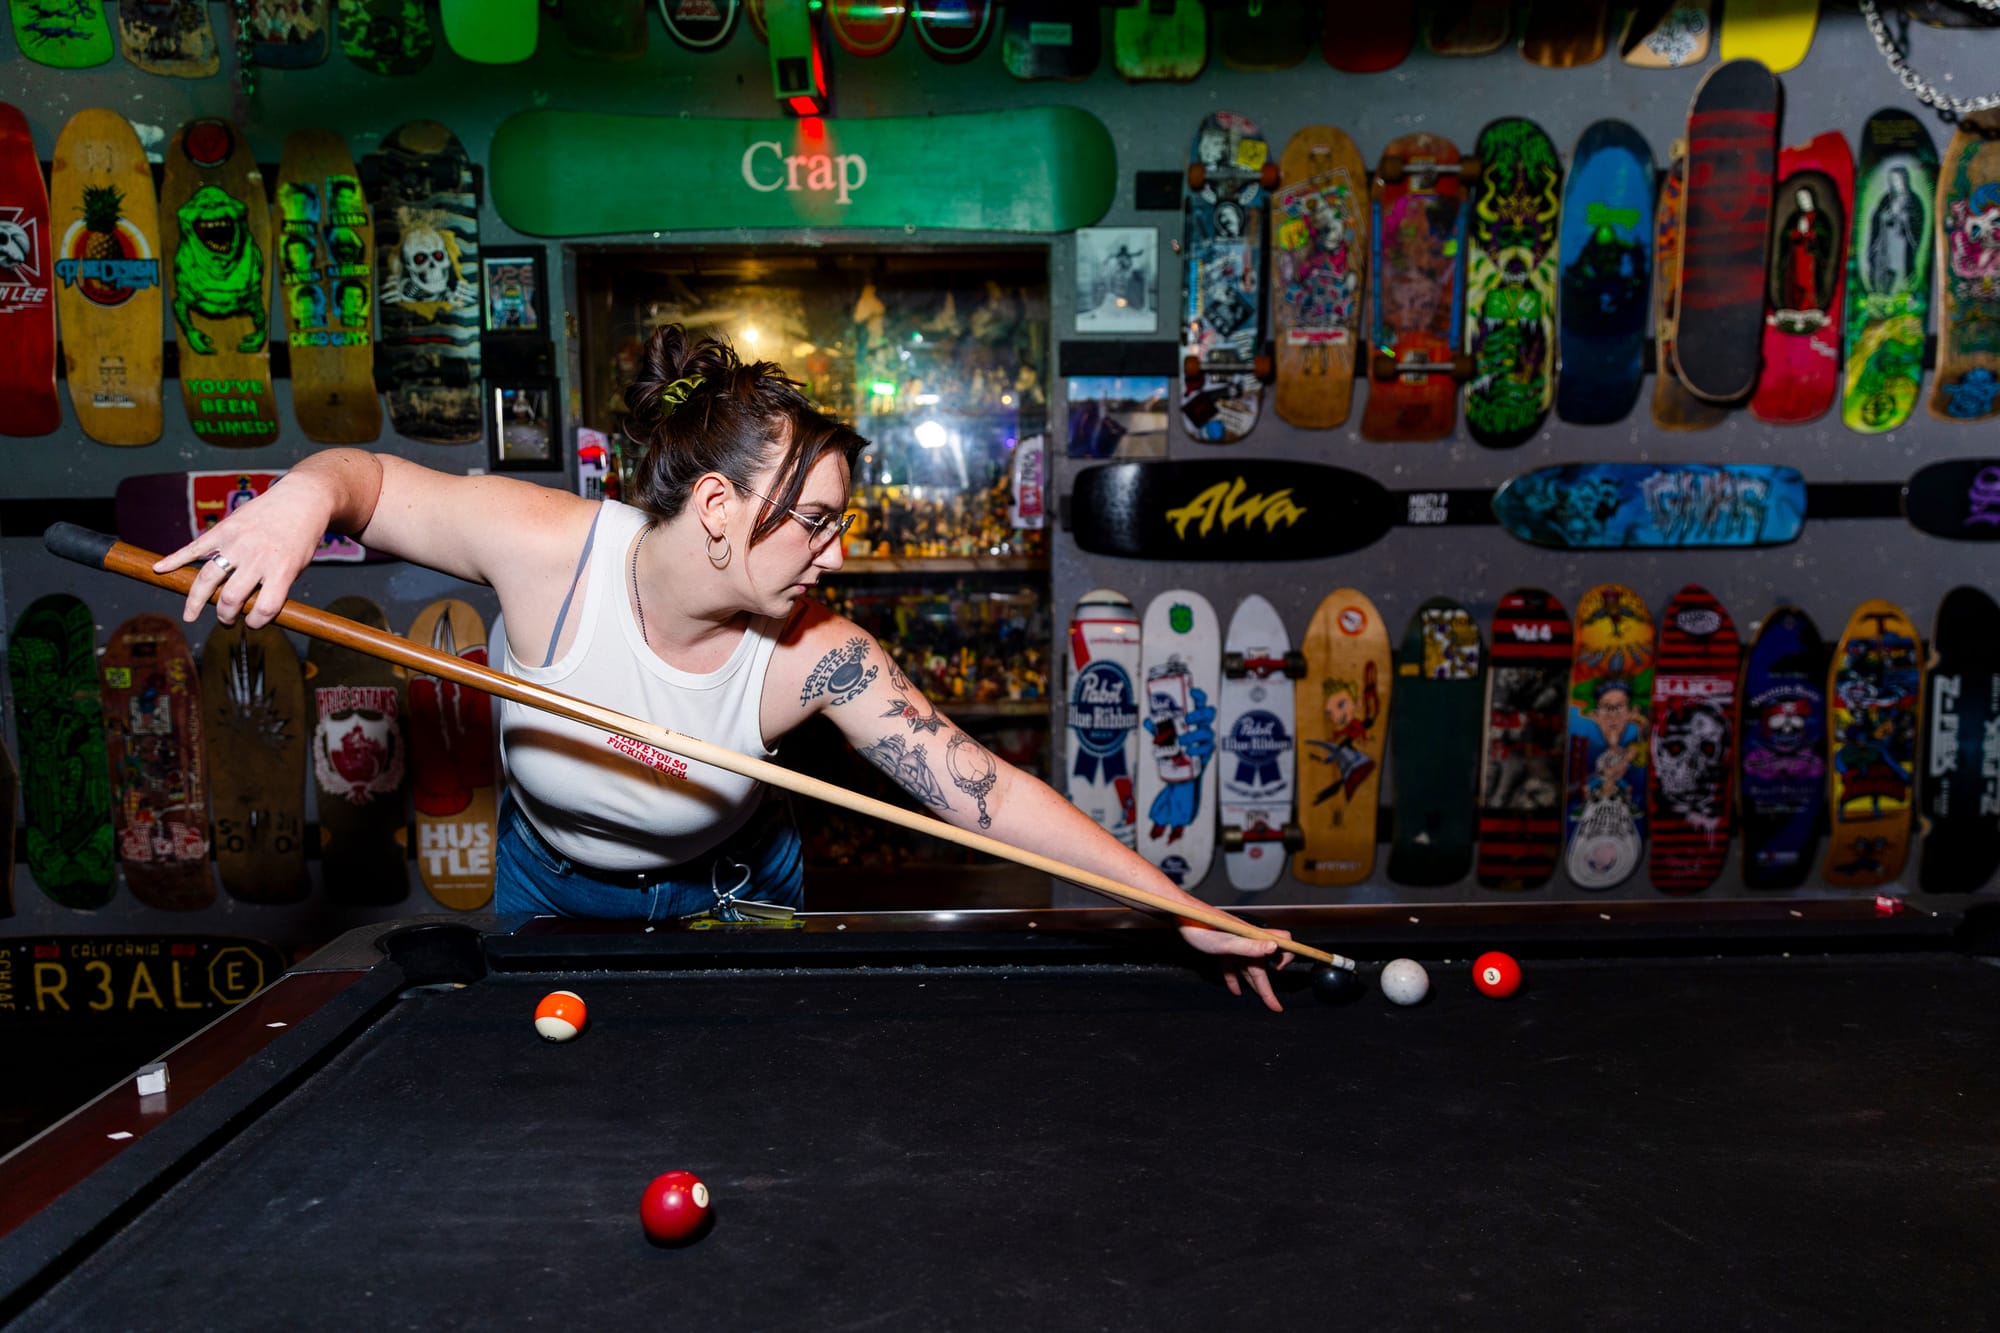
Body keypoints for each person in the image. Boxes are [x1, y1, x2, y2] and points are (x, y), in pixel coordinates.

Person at [159, 326, 1295, 1010]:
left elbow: (984, 796)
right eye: (811, 521)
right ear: (716, 506)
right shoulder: (548, 551)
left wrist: (1168, 901)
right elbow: (362, 477)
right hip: (550, 885)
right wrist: (297, 504)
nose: (835, 553)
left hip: (737, 892)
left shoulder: (820, 659)